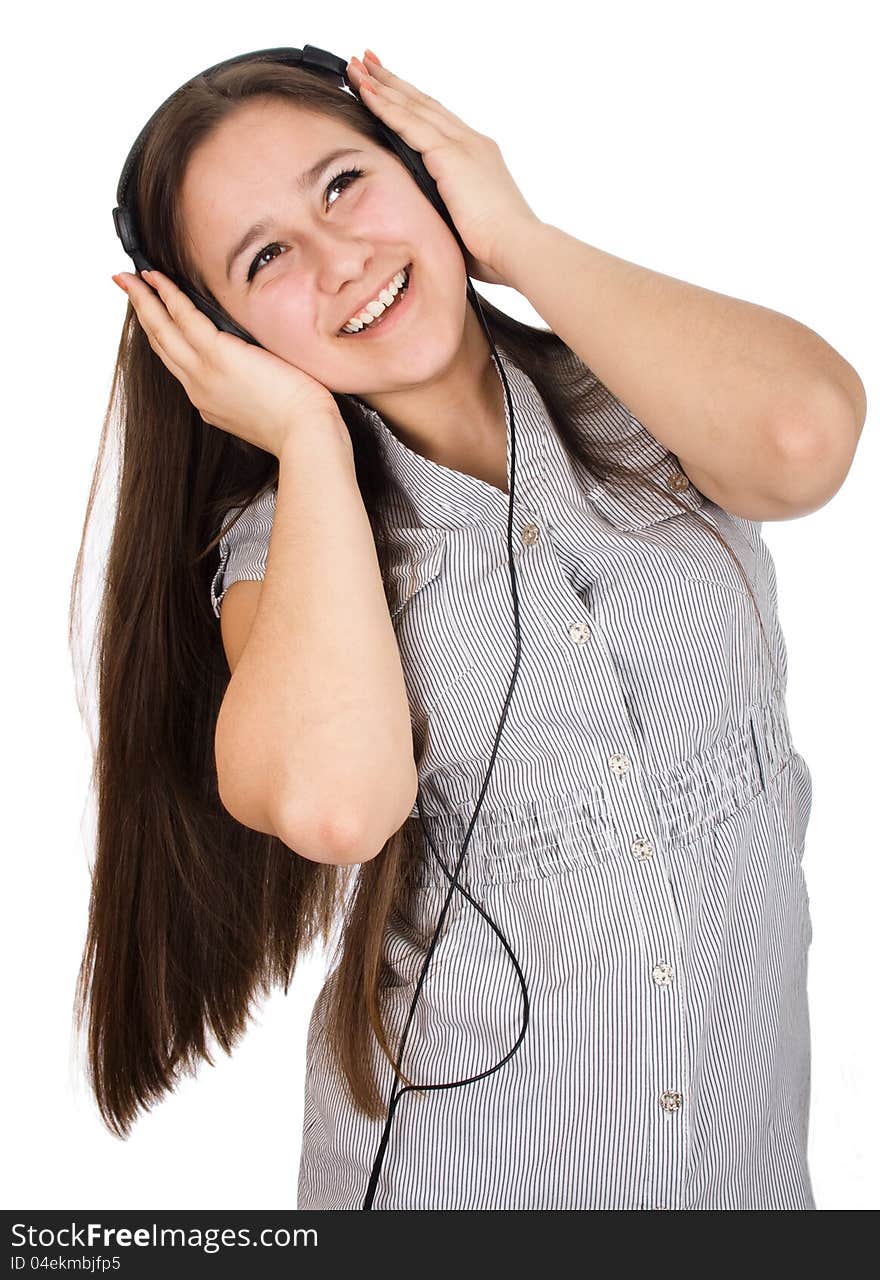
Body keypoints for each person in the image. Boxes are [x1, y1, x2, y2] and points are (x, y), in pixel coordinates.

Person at [72, 49, 865, 1210]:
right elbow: (337, 804)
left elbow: (805, 439)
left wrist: (518, 238)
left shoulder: (641, 389)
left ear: (424, 165)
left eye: (343, 184)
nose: (343, 259)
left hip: (741, 1181)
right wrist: (302, 437)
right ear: (217, 336)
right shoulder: (286, 545)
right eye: (267, 256)